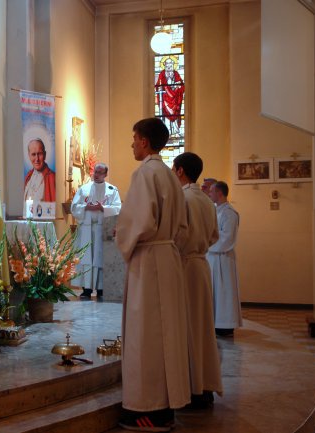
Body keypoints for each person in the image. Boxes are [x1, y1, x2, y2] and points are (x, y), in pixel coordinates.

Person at [115, 118, 190, 431]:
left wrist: (124, 239)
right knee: (167, 336)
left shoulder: (145, 172)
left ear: (145, 141)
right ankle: (166, 407)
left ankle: (146, 410)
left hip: (149, 261)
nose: (132, 144)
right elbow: (183, 228)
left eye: (134, 138)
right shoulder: (171, 177)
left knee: (145, 338)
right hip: (168, 258)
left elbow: (137, 222)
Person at [172, 152, 223, 409]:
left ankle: (192, 389)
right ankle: (205, 386)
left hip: (184, 266)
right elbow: (214, 236)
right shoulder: (205, 200)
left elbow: (177, 235)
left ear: (180, 171)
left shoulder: (183, 198)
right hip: (201, 265)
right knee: (203, 328)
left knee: (188, 327)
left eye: (173, 168)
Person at [71, 163, 121, 300]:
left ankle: (101, 289)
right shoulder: (84, 188)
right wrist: (86, 208)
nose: (96, 174)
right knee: (86, 257)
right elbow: (74, 206)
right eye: (95, 171)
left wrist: (103, 208)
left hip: (102, 229)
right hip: (86, 228)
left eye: (100, 172)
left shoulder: (112, 190)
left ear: (105, 174)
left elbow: (118, 208)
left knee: (100, 258)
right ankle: (86, 290)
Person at [207, 181, 242, 337]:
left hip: (223, 259)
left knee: (224, 293)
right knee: (214, 294)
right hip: (212, 258)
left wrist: (206, 239)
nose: (209, 194)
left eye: (212, 191)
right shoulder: (215, 210)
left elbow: (226, 238)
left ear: (219, 193)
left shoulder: (229, 213)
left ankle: (225, 326)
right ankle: (214, 323)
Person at [23, 138, 55, 215]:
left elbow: (52, 209)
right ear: (29, 156)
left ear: (45, 155)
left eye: (39, 154)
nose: (37, 159)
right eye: (33, 154)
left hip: (43, 223)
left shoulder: (52, 177)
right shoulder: (28, 177)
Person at [155, 57, 185, 136]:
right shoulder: (162, 74)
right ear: (164, 66)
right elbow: (158, 85)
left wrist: (177, 87)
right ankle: (166, 131)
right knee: (165, 115)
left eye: (170, 65)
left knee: (175, 114)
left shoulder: (176, 74)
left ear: (173, 66)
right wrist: (160, 88)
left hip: (175, 99)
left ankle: (175, 130)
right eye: (167, 66)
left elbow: (182, 86)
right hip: (165, 99)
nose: (169, 67)